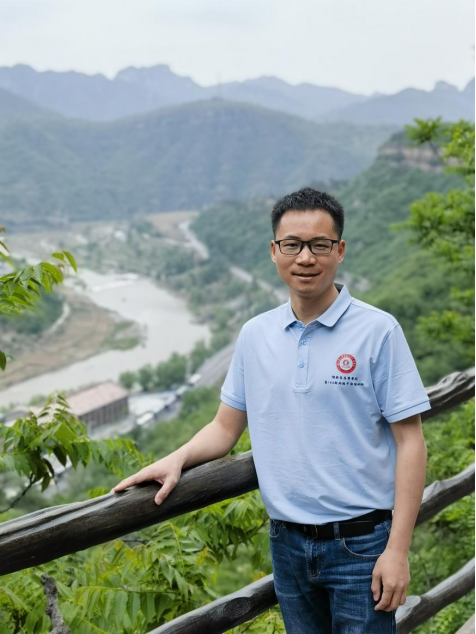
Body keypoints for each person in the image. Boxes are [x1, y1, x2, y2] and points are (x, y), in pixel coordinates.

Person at [113, 187, 430, 633]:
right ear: (274, 251)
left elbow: (410, 441)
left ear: (339, 251)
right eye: (292, 245)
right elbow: (225, 428)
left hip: (362, 545)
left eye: (320, 245)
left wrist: (397, 551)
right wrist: (176, 459)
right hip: (287, 543)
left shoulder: (378, 331)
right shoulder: (255, 334)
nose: (306, 258)